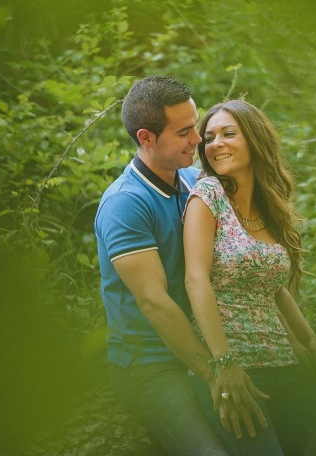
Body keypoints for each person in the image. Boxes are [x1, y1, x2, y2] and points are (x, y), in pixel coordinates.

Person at [94, 77, 269, 456]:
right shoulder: (125, 204)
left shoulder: (195, 181)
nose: (199, 141)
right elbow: (154, 302)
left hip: (208, 348)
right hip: (152, 366)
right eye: (185, 132)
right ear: (147, 138)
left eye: (197, 127)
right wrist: (215, 372)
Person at [183, 99, 316, 456]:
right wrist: (223, 364)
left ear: (256, 140)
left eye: (229, 133)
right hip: (238, 374)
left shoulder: (268, 204)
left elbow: (274, 288)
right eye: (208, 137)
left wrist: (308, 339)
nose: (215, 144)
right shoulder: (207, 195)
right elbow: (196, 281)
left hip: (287, 364)